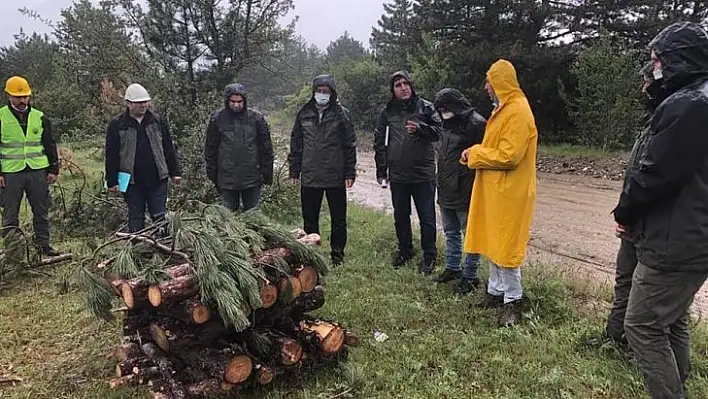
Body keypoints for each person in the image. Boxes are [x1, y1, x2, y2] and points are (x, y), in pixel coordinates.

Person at [613, 21, 708, 399]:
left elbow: (656, 174)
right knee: (672, 320)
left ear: (677, 60)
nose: (650, 68)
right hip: (691, 235)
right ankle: (678, 383)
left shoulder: (690, 105)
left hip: (676, 239)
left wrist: (625, 212)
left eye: (656, 60)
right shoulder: (693, 99)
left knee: (642, 326)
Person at [585, 62, 663, 350]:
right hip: (634, 218)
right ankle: (614, 337)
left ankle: (638, 345)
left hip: (651, 224)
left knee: (646, 293)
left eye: (646, 80)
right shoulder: (654, 119)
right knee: (623, 280)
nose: (643, 87)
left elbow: (657, 177)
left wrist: (630, 212)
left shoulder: (677, 119)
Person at [461, 59, 538, 327]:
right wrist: (475, 153)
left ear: (500, 83)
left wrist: (476, 153)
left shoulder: (518, 111)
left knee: (506, 246)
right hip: (497, 191)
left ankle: (513, 301)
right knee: (493, 241)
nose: (486, 87)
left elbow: (509, 156)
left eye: (489, 81)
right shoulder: (504, 110)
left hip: (510, 193)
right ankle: (495, 292)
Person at [373, 70, 441, 273]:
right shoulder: (388, 112)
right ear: (392, 91)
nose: (403, 88)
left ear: (411, 86)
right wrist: (381, 170)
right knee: (401, 215)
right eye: (398, 85)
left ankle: (429, 256)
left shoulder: (426, 107)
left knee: (427, 217)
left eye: (405, 83)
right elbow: (380, 142)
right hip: (398, 175)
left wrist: (421, 128)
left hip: (423, 174)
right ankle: (405, 250)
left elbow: (440, 132)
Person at [287, 74, 357, 266]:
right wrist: (294, 171)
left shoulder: (342, 114)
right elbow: (296, 143)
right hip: (310, 176)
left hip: (335, 176)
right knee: (309, 219)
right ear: (314, 92)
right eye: (319, 91)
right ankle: (312, 257)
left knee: (339, 220)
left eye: (326, 91)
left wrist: (350, 172)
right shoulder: (304, 113)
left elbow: (350, 144)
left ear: (332, 93)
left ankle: (337, 256)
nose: (322, 94)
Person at [105, 83, 182, 233]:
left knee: (160, 217)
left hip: (158, 178)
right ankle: (138, 249)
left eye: (145, 102)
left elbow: (168, 148)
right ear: (129, 104)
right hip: (132, 181)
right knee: (135, 217)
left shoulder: (157, 121)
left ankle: (163, 249)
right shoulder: (117, 124)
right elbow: (111, 154)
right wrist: (112, 181)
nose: (144, 105)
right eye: (139, 102)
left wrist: (175, 172)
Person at [431, 88, 486, 294]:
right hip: (445, 186)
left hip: (466, 188)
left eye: (445, 108)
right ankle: (453, 268)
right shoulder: (445, 122)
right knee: (450, 232)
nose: (442, 112)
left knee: (470, 234)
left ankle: (471, 275)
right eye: (440, 109)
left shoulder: (476, 124)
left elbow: (483, 156)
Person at [0, 76, 60, 256]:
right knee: (10, 214)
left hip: (37, 171)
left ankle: (43, 245)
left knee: (41, 211)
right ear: (8, 95)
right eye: (18, 97)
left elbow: (50, 144)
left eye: (25, 96)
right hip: (11, 172)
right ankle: (13, 252)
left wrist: (53, 169)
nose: (22, 100)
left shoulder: (40, 117)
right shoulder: (1, 117)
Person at [205, 83, 274, 212]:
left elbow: (266, 148)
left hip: (252, 177)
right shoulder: (217, 119)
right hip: (227, 179)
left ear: (244, 100)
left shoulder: (256, 119)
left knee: (253, 216)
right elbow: (210, 149)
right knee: (228, 218)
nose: (236, 105)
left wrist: (267, 174)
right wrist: (213, 174)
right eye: (233, 101)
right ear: (227, 101)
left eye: (239, 101)